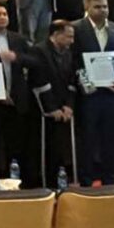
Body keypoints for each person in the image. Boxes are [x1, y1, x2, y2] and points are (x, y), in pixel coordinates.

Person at [70, 0, 114, 187]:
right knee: (87, 140)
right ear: (86, 8)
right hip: (88, 95)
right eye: (97, 7)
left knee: (112, 140)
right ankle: (86, 181)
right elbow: (72, 60)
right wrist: (84, 82)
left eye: (105, 6)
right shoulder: (75, 28)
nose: (103, 10)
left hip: (113, 95)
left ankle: (110, 180)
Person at [0, 1, 39, 179]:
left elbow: (35, 61)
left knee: (16, 144)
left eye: (5, 14)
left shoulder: (17, 38)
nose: (2, 17)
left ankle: (16, 179)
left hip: (16, 100)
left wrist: (16, 57)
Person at [28, 20, 78, 188]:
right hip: (43, 110)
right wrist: (52, 108)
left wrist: (69, 105)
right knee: (45, 149)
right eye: (68, 37)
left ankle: (60, 183)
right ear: (56, 35)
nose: (72, 41)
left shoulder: (69, 53)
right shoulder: (38, 51)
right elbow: (39, 81)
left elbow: (72, 81)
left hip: (63, 108)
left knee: (61, 150)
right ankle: (44, 184)